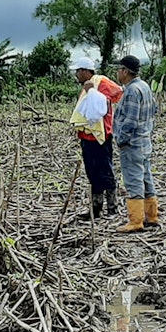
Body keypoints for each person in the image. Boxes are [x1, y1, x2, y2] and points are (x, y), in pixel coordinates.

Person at [70, 59, 123, 220]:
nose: (76, 74)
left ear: (85, 71)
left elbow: (115, 94)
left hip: (101, 136)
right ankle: (96, 209)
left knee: (105, 171)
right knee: (92, 173)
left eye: (78, 71)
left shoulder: (101, 82)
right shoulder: (87, 86)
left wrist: (93, 91)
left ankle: (112, 208)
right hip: (87, 136)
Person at [111, 55, 159, 233]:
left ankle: (136, 221)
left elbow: (130, 121)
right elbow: (154, 109)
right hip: (144, 141)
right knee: (146, 178)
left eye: (119, 70)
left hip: (133, 143)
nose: (117, 73)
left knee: (133, 181)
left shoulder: (131, 91)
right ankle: (151, 216)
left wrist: (121, 139)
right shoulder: (144, 86)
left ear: (125, 71)